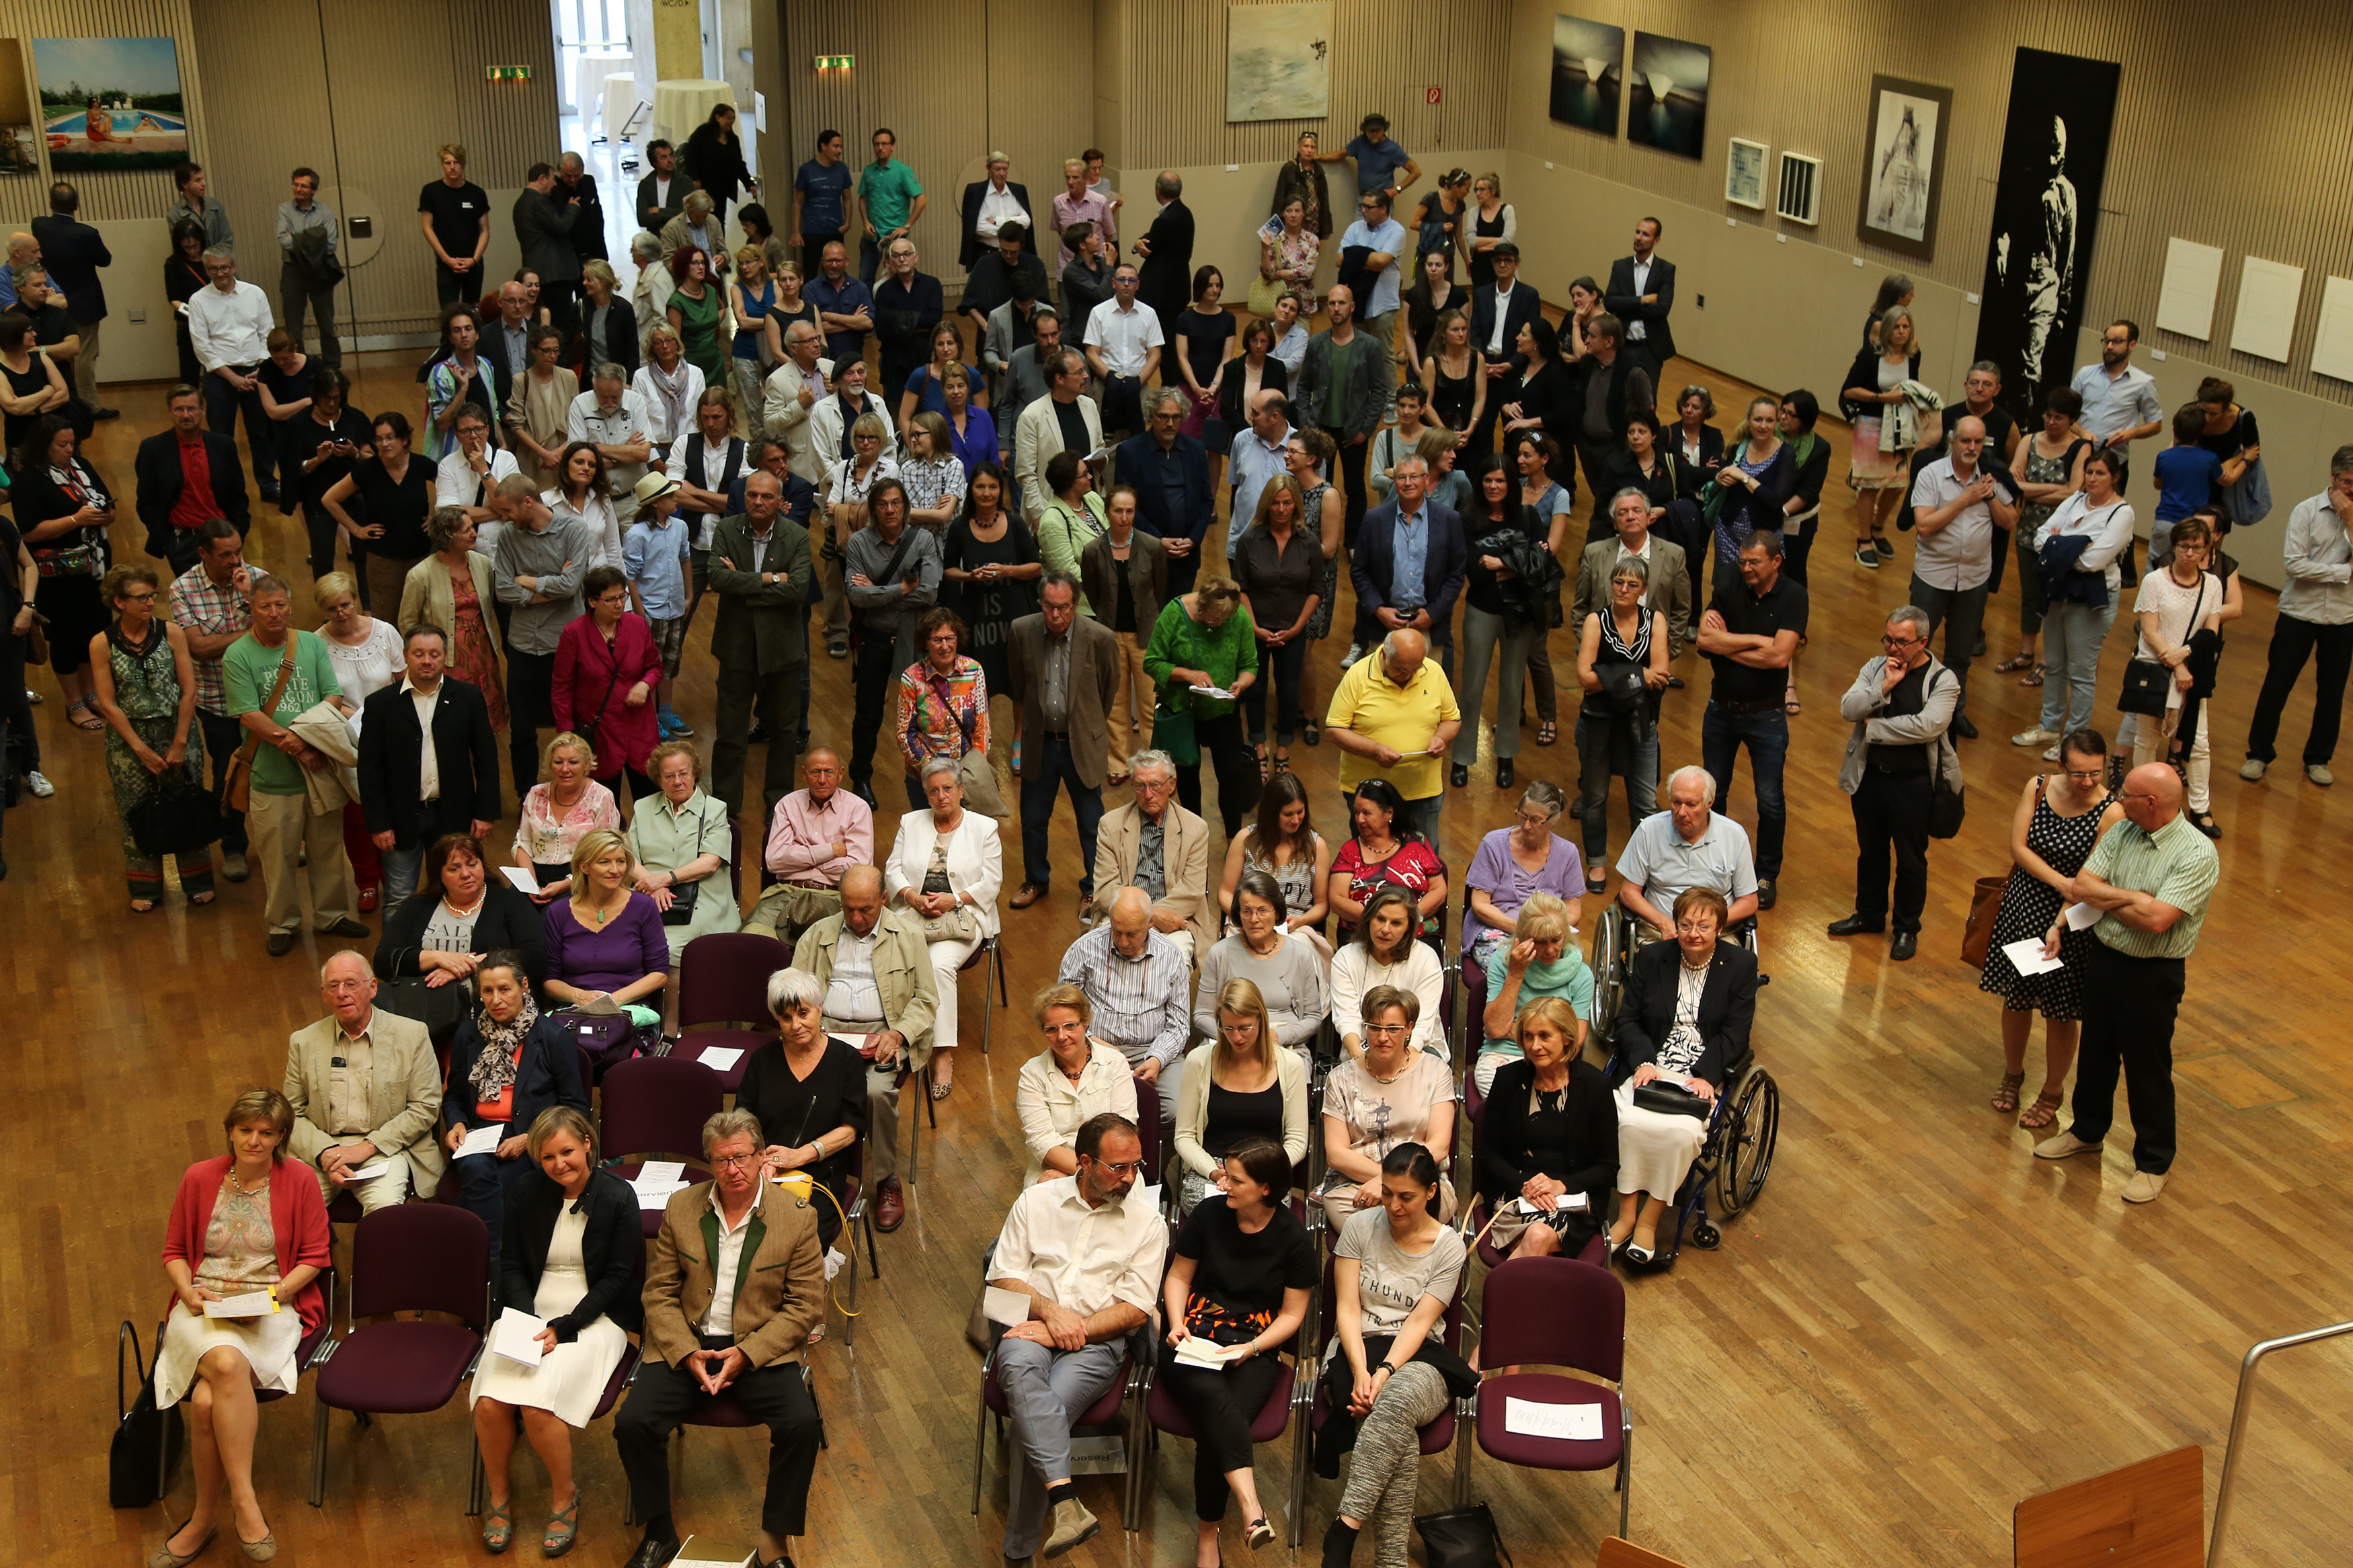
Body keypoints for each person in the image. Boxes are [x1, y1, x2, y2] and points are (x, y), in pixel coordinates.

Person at [619, 1105, 825, 1568]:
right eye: (721, 1160)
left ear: (760, 1156)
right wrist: (687, 1351)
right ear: (709, 1162)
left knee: (802, 1425)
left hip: (758, 1345)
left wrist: (747, 1354)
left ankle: (774, 1541)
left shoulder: (797, 1217)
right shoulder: (682, 1206)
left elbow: (804, 1305)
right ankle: (659, 1532)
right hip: (690, 1340)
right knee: (632, 1422)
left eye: (742, 1157)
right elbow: (660, 1293)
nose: (732, 1170)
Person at [151, 1089, 331, 1568]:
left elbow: (316, 1257)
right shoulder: (199, 1176)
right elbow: (173, 1252)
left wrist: (274, 1297)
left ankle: (203, 1518)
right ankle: (246, 1504)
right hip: (202, 1305)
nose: (255, 1140)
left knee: (209, 1401)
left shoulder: (301, 1181)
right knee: (227, 1363)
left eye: (267, 1132)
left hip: (270, 1303)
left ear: (281, 1137)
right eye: (246, 1129)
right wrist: (189, 1292)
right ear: (230, 1130)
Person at [2030, 763, 2219, 1204]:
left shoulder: (2196, 853)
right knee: (2096, 1053)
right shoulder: (2120, 831)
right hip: (2106, 958)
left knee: (2146, 1067)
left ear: (2151, 802)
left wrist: (2109, 898)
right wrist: (2133, 897)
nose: (2116, 798)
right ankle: (2088, 1130)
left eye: (2126, 793)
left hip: (2153, 974)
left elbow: (2157, 922)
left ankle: (2154, 1161)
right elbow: (2083, 887)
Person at [462, 1104, 637, 1559]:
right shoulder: (525, 1192)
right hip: (531, 1309)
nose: (560, 1164)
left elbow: (619, 1277)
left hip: (594, 1316)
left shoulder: (619, 1197)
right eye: (548, 1156)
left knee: (538, 1408)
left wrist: (565, 1326)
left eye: (567, 1152)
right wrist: (524, 1320)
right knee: (489, 1402)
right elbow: (514, 1264)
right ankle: (498, 1496)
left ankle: (564, 1496)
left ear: (587, 1145)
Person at [987, 1110, 1163, 1559]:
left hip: (1097, 1342)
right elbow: (1003, 1278)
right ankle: (1065, 1503)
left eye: (1135, 1166)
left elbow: (1136, 1310)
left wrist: (1068, 1327)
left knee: (1042, 1414)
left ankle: (1018, 1551)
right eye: (1117, 1167)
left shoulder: (1147, 1223)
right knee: (1030, 1388)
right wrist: (1049, 1315)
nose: (1129, 1177)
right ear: (1084, 1162)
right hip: (1027, 1324)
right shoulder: (1037, 1200)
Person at [1156, 1137, 1317, 1563]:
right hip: (1192, 1334)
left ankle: (1208, 1535)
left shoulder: (1295, 1239)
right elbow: (1177, 1278)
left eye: (1235, 1179)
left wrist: (1252, 1349)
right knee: (1214, 1402)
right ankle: (1250, 1508)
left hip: (1253, 1343)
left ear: (1266, 1189)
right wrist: (1175, 1324)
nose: (1223, 1183)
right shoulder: (1210, 1214)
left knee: (1217, 1424)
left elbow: (1292, 1315)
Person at [1312, 1144, 1470, 1568]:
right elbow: (1346, 1308)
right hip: (1355, 1345)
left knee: (1392, 1401)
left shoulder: (1449, 1247)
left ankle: (1344, 1529)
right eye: (1388, 1194)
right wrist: (1362, 1368)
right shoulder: (1359, 1227)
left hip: (1421, 1356)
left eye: (1407, 1197)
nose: (1394, 1206)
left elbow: (1420, 1324)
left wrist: (1382, 1374)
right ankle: (1390, 1561)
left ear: (1431, 1192)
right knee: (1396, 1425)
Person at [1977, 731, 2123, 1128]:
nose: (2088, 782)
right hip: (2024, 907)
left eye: (2096, 772)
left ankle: (2053, 1090)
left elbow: (2091, 878)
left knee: (2061, 1013)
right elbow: (2018, 848)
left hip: (2071, 922)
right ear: (2061, 766)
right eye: (2079, 773)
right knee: (2016, 999)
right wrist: (2062, 882)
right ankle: (2013, 1073)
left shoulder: (2111, 812)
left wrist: (2063, 906)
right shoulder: (2038, 787)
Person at [1608, 887, 1756, 1261]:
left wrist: (1708, 1074)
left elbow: (1736, 1033)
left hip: (1703, 1067)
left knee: (1679, 1133)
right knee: (1626, 1122)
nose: (1694, 933)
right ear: (1674, 925)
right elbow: (1628, 1019)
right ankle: (1626, 1217)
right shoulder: (1653, 956)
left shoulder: (1740, 965)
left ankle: (1648, 1222)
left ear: (1720, 928)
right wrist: (1643, 1061)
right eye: (1686, 924)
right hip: (1652, 1061)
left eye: (1704, 926)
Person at [789, 861, 934, 1231]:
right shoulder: (817, 935)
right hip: (824, 1034)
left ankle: (886, 1177)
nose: (855, 918)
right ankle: (801, 1166)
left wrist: (898, 1034)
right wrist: (808, 1027)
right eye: (848, 908)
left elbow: (926, 1000)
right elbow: (794, 994)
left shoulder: (909, 936)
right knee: (793, 1083)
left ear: (884, 900)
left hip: (882, 1035)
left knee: (874, 1093)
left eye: (865, 909)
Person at [225, 573, 363, 954]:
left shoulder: (310, 644)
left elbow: (332, 696)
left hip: (320, 773)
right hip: (272, 779)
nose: (274, 613)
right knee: (278, 858)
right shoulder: (238, 654)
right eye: (265, 606)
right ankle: (283, 923)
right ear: (251, 608)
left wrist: (303, 739)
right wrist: (298, 745)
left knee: (327, 852)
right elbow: (249, 714)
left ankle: (331, 916)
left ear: (290, 606)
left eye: (281, 605)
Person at [1830, 606, 1960, 962]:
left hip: (1914, 785)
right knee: (1870, 853)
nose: (1892, 648)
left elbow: (1929, 726)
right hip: (1870, 778)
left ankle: (1906, 928)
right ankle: (1869, 916)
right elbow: (1849, 708)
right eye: (1888, 639)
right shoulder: (1875, 668)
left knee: (1910, 860)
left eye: (1901, 642)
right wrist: (1884, 686)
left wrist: (1876, 729)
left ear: (1923, 641)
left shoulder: (1943, 680)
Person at [441, 952, 586, 1259]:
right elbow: (454, 1095)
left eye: (505, 989)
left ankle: (475, 1264)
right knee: (479, 1171)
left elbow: (574, 1107)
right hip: (478, 1133)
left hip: (532, 1137)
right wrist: (456, 1123)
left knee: (504, 1186)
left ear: (524, 986)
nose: (496, 1000)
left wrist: (531, 1138)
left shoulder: (552, 1037)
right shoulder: (468, 1035)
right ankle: (496, 1267)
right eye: (487, 991)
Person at [89, 563, 213, 911]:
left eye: (152, 596)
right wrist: (140, 749)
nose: (149, 603)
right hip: (129, 740)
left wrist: (179, 741)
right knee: (135, 811)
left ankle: (198, 881)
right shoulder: (101, 644)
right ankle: (145, 888)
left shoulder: (171, 632)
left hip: (177, 728)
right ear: (119, 602)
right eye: (141, 598)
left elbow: (189, 690)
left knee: (187, 802)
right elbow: (108, 704)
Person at [284, 950, 446, 1208]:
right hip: (322, 1149)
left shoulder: (412, 1035)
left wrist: (368, 1147)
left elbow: (425, 1108)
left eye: (350, 984)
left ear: (372, 988)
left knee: (384, 1212)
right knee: (289, 1211)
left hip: (386, 1149)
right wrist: (325, 1152)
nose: (341, 993)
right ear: (324, 994)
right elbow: (290, 1114)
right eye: (333, 986)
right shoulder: (303, 1041)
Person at [1695, 530, 1804, 909]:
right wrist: (1758, 639)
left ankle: (1765, 874)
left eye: (1754, 562)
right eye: (1743, 561)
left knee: (1770, 801)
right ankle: (1714, 866)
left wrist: (1732, 644)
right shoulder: (1727, 579)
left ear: (1776, 561)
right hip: (1721, 709)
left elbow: (1778, 659)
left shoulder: (1793, 596)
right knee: (1714, 794)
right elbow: (1705, 641)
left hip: (1766, 716)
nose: (1746, 568)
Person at [882, 757, 1000, 1097]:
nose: (941, 796)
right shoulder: (911, 822)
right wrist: (911, 896)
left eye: (948, 789)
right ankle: (899, 1038)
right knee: (894, 956)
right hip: (916, 910)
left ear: (961, 790)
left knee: (937, 964)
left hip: (964, 915)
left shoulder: (984, 828)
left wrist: (955, 899)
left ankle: (942, 1053)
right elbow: (892, 870)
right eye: (933, 791)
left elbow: (992, 882)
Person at [732, 967, 870, 1251]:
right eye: (786, 1018)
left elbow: (850, 1130)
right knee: (734, 1235)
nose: (796, 1024)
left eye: (803, 1013)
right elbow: (741, 1122)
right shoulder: (761, 1061)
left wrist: (799, 1156)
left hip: (821, 1175)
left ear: (820, 1009)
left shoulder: (847, 1061)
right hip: (762, 1171)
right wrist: (760, 1161)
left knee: (794, 1243)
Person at [1006, 571, 1117, 915]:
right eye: (1049, 607)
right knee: (1033, 819)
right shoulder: (1022, 631)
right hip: (1041, 742)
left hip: (1081, 743)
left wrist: (1086, 724)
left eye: (1064, 608)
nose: (1056, 616)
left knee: (1090, 823)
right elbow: (1019, 683)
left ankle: (1092, 888)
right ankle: (1036, 880)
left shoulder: (1099, 637)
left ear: (1075, 605)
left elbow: (1108, 690)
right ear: (1041, 603)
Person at [2241, 447, 2353, 788]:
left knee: (2332, 694)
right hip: (2298, 614)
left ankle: (2318, 758)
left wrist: (2350, 520)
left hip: (2343, 618)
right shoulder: (2306, 511)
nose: (2352, 489)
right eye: (2348, 482)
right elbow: (2294, 566)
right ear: (2333, 478)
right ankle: (2258, 754)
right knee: (2278, 685)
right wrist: (2344, 571)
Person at [706, 468, 813, 817]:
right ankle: (725, 805)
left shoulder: (796, 535)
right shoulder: (726, 529)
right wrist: (768, 579)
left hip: (783, 651)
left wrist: (745, 583)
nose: (758, 502)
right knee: (730, 733)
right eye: (753, 495)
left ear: (780, 501)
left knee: (784, 732)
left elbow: (797, 589)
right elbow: (717, 578)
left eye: (767, 496)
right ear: (744, 496)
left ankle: (778, 804)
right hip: (736, 647)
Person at [1451, 454, 1560, 788]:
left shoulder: (1527, 516)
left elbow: (1541, 564)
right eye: (1488, 480)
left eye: (1500, 480)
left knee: (1512, 689)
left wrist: (1499, 564)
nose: (1494, 486)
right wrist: (1516, 566)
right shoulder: (1467, 518)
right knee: (1471, 688)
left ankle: (1506, 756)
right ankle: (1462, 758)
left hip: (1520, 613)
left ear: (1511, 484)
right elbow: (1473, 571)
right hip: (1481, 609)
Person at [2020, 448, 2135, 757]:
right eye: (2090, 472)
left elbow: (2096, 562)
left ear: (2115, 477)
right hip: (2058, 591)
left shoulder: (2122, 513)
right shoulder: (2072, 501)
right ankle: (2049, 726)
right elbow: (2040, 538)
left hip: (2092, 599)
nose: (2093, 478)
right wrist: (2077, 544)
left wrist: (2060, 544)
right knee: (2054, 663)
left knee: (2081, 672)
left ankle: (2073, 738)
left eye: (2101, 473)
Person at [1905, 415, 2012, 740]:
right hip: (1932, 577)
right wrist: (1966, 498)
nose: (1972, 448)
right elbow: (1924, 525)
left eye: (1979, 442)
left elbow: (2008, 522)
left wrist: (1990, 497)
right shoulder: (1931, 475)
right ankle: (1909, 708)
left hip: (1973, 581)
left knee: (1960, 655)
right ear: (1952, 441)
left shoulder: (1993, 478)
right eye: (1966, 441)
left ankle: (1953, 713)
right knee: (1913, 646)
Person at [493, 474, 596, 794]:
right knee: (522, 729)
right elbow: (502, 590)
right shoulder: (508, 536)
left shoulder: (574, 530)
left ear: (528, 502)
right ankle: (527, 795)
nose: (504, 519)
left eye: (507, 511)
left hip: (565, 644)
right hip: (523, 644)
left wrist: (528, 581)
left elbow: (571, 586)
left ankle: (581, 792)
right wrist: (549, 586)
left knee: (576, 724)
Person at [1320, 990, 1456, 1226]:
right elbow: (1336, 1154)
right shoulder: (1339, 1078)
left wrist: (1389, 1183)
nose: (1383, 1037)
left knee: (1415, 1216)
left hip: (1420, 1182)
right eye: (1374, 1028)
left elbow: (1440, 1146)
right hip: (1355, 1183)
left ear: (1409, 1029)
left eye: (1393, 1029)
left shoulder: (1436, 1071)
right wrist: (1381, 1180)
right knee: (1363, 1227)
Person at [168, 519, 255, 879]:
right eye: (226, 555)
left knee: (275, 773)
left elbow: (282, 632)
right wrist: (252, 631)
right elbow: (198, 648)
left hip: (265, 699)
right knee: (228, 775)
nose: (236, 562)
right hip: (218, 702)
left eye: (238, 552)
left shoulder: (257, 579)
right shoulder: (183, 589)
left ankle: (280, 839)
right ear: (203, 553)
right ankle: (234, 846)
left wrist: (253, 598)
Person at [1576, 555, 1671, 886]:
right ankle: (1597, 863)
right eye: (1618, 582)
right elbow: (1585, 677)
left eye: (1632, 585)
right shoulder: (1595, 621)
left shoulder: (1655, 620)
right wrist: (1637, 676)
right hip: (1598, 721)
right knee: (1595, 797)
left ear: (1643, 590)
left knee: (1645, 801)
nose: (1623, 589)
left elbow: (1660, 674)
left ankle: (1639, 869)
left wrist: (1614, 677)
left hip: (1641, 723)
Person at [310, 571, 403, 907]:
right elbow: (321, 694)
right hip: (346, 735)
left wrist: (384, 716)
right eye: (332, 608)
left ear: (356, 600)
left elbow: (401, 681)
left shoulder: (385, 632)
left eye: (346, 604)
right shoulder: (316, 643)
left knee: (395, 806)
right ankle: (365, 880)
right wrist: (358, 717)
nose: (341, 613)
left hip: (392, 730)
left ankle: (394, 875)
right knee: (357, 811)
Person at [1061, 884, 1193, 1120]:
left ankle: (1154, 1157)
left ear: (1150, 923)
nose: (1123, 941)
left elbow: (1179, 1024)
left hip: (1150, 1049)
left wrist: (1157, 1059)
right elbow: (1064, 1013)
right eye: (1116, 931)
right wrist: (1092, 1042)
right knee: (1087, 1110)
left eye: (1132, 933)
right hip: (1094, 1048)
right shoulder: (1084, 949)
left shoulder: (1171, 957)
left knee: (1176, 1111)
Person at [845, 479, 943, 800]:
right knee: (868, 714)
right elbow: (856, 596)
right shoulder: (859, 542)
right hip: (875, 638)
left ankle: (931, 780)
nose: (891, 510)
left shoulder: (923, 539)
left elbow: (929, 592)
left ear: (905, 507)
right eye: (883, 504)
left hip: (912, 641)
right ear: (874, 508)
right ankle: (860, 778)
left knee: (924, 715)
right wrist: (900, 589)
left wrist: (879, 592)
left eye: (897, 503)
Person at [1144, 571, 1260, 835]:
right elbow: (1151, 661)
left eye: (1226, 619)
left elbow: (1249, 664)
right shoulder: (1175, 615)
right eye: (1216, 618)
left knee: (1232, 776)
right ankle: (1193, 837)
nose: (1220, 623)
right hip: (1184, 712)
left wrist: (1241, 683)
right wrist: (1188, 675)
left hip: (1222, 710)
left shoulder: (1238, 616)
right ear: (1202, 605)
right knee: (1187, 778)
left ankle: (1235, 839)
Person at [1325, 628, 1462, 849]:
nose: (1408, 674)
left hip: (1422, 789)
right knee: (1371, 857)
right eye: (1400, 669)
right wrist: (1374, 750)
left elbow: (1452, 720)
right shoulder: (1358, 675)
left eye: (1415, 669)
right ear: (1384, 655)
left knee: (1424, 859)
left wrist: (1440, 738)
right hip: (1370, 794)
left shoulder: (1434, 671)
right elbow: (1334, 730)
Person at [376, 832, 547, 999]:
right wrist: (438, 957)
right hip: (424, 1009)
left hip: (492, 1008)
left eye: (472, 864)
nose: (466, 874)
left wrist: (471, 964)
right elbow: (383, 962)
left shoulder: (510, 901)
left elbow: (536, 957)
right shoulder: (417, 906)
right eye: (454, 868)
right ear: (439, 875)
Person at [2124, 513, 2224, 791]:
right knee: (2147, 738)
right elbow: (2150, 631)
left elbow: (2211, 633)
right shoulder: (2155, 581)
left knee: (2199, 742)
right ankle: (2142, 794)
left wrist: (2185, 656)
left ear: (2207, 549)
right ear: (2174, 546)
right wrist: (2177, 665)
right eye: (2183, 546)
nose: (2189, 553)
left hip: (2193, 672)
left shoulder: (2213, 585)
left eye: (2197, 547)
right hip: (2157, 668)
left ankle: (2201, 807)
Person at [2001, 388, 2091, 690]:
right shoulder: (2029, 441)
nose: (2052, 422)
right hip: (2028, 531)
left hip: (2061, 536)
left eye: (2059, 418)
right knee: (2030, 595)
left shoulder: (2081, 449)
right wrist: (2050, 489)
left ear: (2072, 420)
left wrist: (2031, 488)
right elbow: (2014, 485)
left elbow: (2076, 493)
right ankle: (2027, 652)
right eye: (2049, 416)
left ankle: (2049, 661)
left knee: (2053, 600)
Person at [1614, 764, 1760, 942]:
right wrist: (1663, 923)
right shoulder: (1649, 830)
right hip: (1660, 933)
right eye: (1676, 802)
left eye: (1691, 804)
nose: (1682, 812)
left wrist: (1711, 925)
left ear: (1710, 803)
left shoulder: (1735, 836)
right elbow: (1628, 893)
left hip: (1719, 935)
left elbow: (1749, 901)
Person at [742, 747, 873, 944]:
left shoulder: (858, 809)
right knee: (751, 942)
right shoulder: (788, 805)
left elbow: (857, 873)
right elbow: (775, 861)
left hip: (835, 897)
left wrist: (799, 855)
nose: (822, 779)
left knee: (833, 949)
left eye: (829, 772)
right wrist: (831, 851)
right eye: (815, 772)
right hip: (785, 894)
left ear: (841, 774)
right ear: (804, 773)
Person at [1080, 483, 1165, 781]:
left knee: (1150, 704)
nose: (1124, 517)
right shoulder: (1092, 551)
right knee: (1115, 705)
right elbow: (1092, 592)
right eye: (1118, 511)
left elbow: (1160, 590)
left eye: (1130, 511)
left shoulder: (1153, 547)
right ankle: (1118, 764)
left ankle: (1153, 766)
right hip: (1110, 636)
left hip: (1146, 636)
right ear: (1107, 512)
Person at [542, 828, 670, 1025]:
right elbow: (550, 981)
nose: (615, 870)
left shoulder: (644, 907)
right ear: (584, 867)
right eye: (604, 862)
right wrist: (581, 997)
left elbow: (659, 974)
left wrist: (612, 1001)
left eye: (621, 861)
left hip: (630, 1011)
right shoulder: (558, 912)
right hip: (575, 1012)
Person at [627, 739, 741, 962]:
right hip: (651, 898)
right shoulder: (643, 808)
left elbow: (710, 863)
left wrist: (665, 880)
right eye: (669, 776)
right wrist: (653, 884)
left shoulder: (715, 809)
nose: (678, 782)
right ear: (659, 780)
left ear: (694, 774)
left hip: (703, 902)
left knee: (665, 951)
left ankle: (674, 996)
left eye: (684, 774)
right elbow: (628, 859)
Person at [1014, 984, 1140, 1185]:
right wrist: (1079, 1172)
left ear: (1085, 1023)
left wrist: (1090, 1175)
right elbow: (1041, 1141)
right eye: (1052, 1029)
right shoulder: (1031, 1074)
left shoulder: (1114, 1063)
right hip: (1053, 1170)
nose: (1062, 1036)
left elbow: (1123, 1131)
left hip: (1114, 1170)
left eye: (1070, 1026)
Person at [1193, 870, 1328, 1053]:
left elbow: (1313, 1018)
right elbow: (1202, 1015)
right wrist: (1234, 1038)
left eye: (1263, 910)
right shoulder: (1219, 953)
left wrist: (1277, 1036)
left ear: (1277, 912)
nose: (1254, 919)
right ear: (1238, 913)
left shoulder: (1300, 954)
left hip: (1283, 1045)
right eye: (1247, 911)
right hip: (1231, 1043)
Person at [184, 247, 280, 499]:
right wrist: (233, 378)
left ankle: (269, 486)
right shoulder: (198, 300)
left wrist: (259, 370)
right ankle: (227, 490)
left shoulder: (255, 293)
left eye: (225, 267)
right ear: (207, 271)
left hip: (256, 372)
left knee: (261, 433)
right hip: (220, 377)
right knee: (220, 437)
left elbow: (267, 335)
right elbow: (202, 346)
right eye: (214, 269)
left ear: (234, 266)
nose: (221, 273)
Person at [134, 382, 251, 582]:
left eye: (191, 409)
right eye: (179, 409)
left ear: (203, 411)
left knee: (233, 595)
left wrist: (238, 531)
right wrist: (166, 541)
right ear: (170, 412)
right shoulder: (153, 449)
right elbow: (147, 502)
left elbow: (238, 493)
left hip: (223, 539)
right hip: (182, 541)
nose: (186, 415)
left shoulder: (223, 445)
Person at [1462, 780, 1583, 964]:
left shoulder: (1568, 853)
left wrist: (1547, 931)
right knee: (1511, 968)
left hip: (1548, 935)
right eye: (1523, 816)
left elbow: (1573, 910)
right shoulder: (1493, 844)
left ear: (1553, 820)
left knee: (1569, 969)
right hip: (1498, 930)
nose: (1527, 826)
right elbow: (1480, 905)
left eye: (1535, 820)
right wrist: (1524, 930)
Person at [1842, 307, 1927, 569]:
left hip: (1900, 425)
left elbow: (1912, 386)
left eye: (1906, 327)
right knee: (1869, 484)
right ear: (1888, 330)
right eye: (1898, 327)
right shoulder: (1871, 355)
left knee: (1898, 483)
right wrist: (1882, 398)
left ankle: (1879, 528)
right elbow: (1849, 391)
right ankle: (1864, 540)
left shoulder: (1914, 356)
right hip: (1871, 422)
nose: (1902, 332)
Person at [1328, 775, 1448, 950]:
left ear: (1389, 813)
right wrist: (1379, 921)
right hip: (1364, 936)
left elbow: (1439, 888)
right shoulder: (1350, 851)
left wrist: (1408, 920)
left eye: (1367, 813)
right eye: (1357, 812)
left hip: (1416, 934)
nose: (1360, 819)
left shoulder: (1416, 843)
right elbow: (1337, 899)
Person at [1330, 888, 1445, 1063]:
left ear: (1408, 927)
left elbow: (1421, 1027)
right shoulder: (1346, 958)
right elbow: (1346, 1018)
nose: (1385, 929)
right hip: (1361, 1051)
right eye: (1380, 919)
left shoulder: (1426, 959)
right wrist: (1361, 1060)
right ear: (1369, 919)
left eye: (1396, 923)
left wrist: (1399, 1066)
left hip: (1416, 1051)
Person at [33, 179, 112, 409]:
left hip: (50, 302)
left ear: (50, 203)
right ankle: (89, 405)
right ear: (77, 205)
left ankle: (61, 401)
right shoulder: (87, 233)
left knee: (56, 353)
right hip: (85, 303)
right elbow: (105, 260)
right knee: (85, 355)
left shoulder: (39, 225)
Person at [514, 731, 621, 898]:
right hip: (535, 873)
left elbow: (604, 852)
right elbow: (523, 843)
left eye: (573, 762)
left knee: (550, 919)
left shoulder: (602, 797)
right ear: (550, 765)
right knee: (511, 912)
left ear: (587, 764)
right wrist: (530, 883)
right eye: (558, 762)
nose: (565, 769)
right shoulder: (536, 793)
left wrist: (565, 884)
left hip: (581, 877)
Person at [1084, 261, 1164, 440]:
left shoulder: (1149, 314)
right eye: (1121, 279)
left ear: (1138, 285)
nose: (1126, 283)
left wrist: (1137, 382)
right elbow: (1091, 353)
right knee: (1105, 443)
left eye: (1131, 280)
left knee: (1138, 442)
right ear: (1114, 283)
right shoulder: (1098, 313)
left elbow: (1156, 354)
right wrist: (1112, 378)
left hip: (1139, 388)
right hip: (1106, 388)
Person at [272, 168, 339, 370]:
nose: (298, 189)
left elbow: (331, 245)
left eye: (304, 186)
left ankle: (333, 367)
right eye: (296, 184)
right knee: (293, 325)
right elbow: (284, 240)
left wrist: (299, 240)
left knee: (326, 322)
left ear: (313, 190)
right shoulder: (285, 209)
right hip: (293, 270)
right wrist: (314, 238)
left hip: (319, 269)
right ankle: (298, 365)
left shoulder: (325, 212)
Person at [871, 237, 945, 411]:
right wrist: (918, 323)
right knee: (897, 411)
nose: (902, 259)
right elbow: (882, 332)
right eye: (896, 256)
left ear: (916, 257)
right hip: (895, 361)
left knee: (931, 409)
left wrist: (897, 320)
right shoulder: (884, 291)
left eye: (906, 254)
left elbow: (934, 320)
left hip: (926, 357)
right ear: (890, 262)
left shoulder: (932, 285)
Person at [1604, 216, 1677, 384]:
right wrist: (1643, 300)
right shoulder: (1620, 266)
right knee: (1618, 394)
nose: (1638, 237)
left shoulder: (1666, 270)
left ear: (1656, 240)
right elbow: (1610, 302)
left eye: (1645, 234)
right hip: (1622, 343)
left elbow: (1662, 309)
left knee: (1647, 400)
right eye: (1637, 232)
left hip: (1650, 347)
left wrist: (1625, 307)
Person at [420, 144, 490, 305]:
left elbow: (485, 231)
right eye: (448, 163)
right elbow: (427, 228)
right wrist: (446, 259)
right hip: (447, 264)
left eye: (456, 162)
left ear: (463, 164)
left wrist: (474, 259)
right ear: (442, 165)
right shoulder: (431, 192)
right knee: (449, 312)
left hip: (473, 263)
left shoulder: (477, 194)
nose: (452, 167)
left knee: (472, 311)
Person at [1133, 170, 1196, 347]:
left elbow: (1148, 246)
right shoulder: (1186, 213)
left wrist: (1137, 244)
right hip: (1178, 288)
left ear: (1158, 191)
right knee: (1173, 341)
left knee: (1162, 343)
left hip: (1161, 294)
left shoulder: (1165, 220)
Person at [791, 130, 852, 274]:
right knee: (810, 272)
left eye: (841, 147)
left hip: (835, 230)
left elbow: (848, 199)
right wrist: (796, 232)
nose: (839, 151)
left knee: (835, 272)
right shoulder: (806, 170)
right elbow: (797, 203)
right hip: (812, 232)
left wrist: (848, 223)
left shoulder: (842, 169)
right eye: (836, 146)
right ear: (824, 146)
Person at [163, 218, 210, 384]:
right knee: (189, 374)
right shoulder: (173, 263)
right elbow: (173, 299)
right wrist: (194, 314)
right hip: (188, 325)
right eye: (187, 247)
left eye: (195, 246)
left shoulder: (212, 259)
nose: (192, 250)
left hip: (215, 323)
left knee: (215, 371)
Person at [1256, 197, 1318, 314]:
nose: (1293, 215)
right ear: (1283, 214)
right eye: (1289, 211)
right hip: (1277, 302)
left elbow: (1308, 271)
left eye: (1297, 211)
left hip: (1303, 304)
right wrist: (1264, 251)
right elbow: (1268, 274)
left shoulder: (1312, 240)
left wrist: (1279, 274)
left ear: (1304, 213)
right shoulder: (1273, 238)